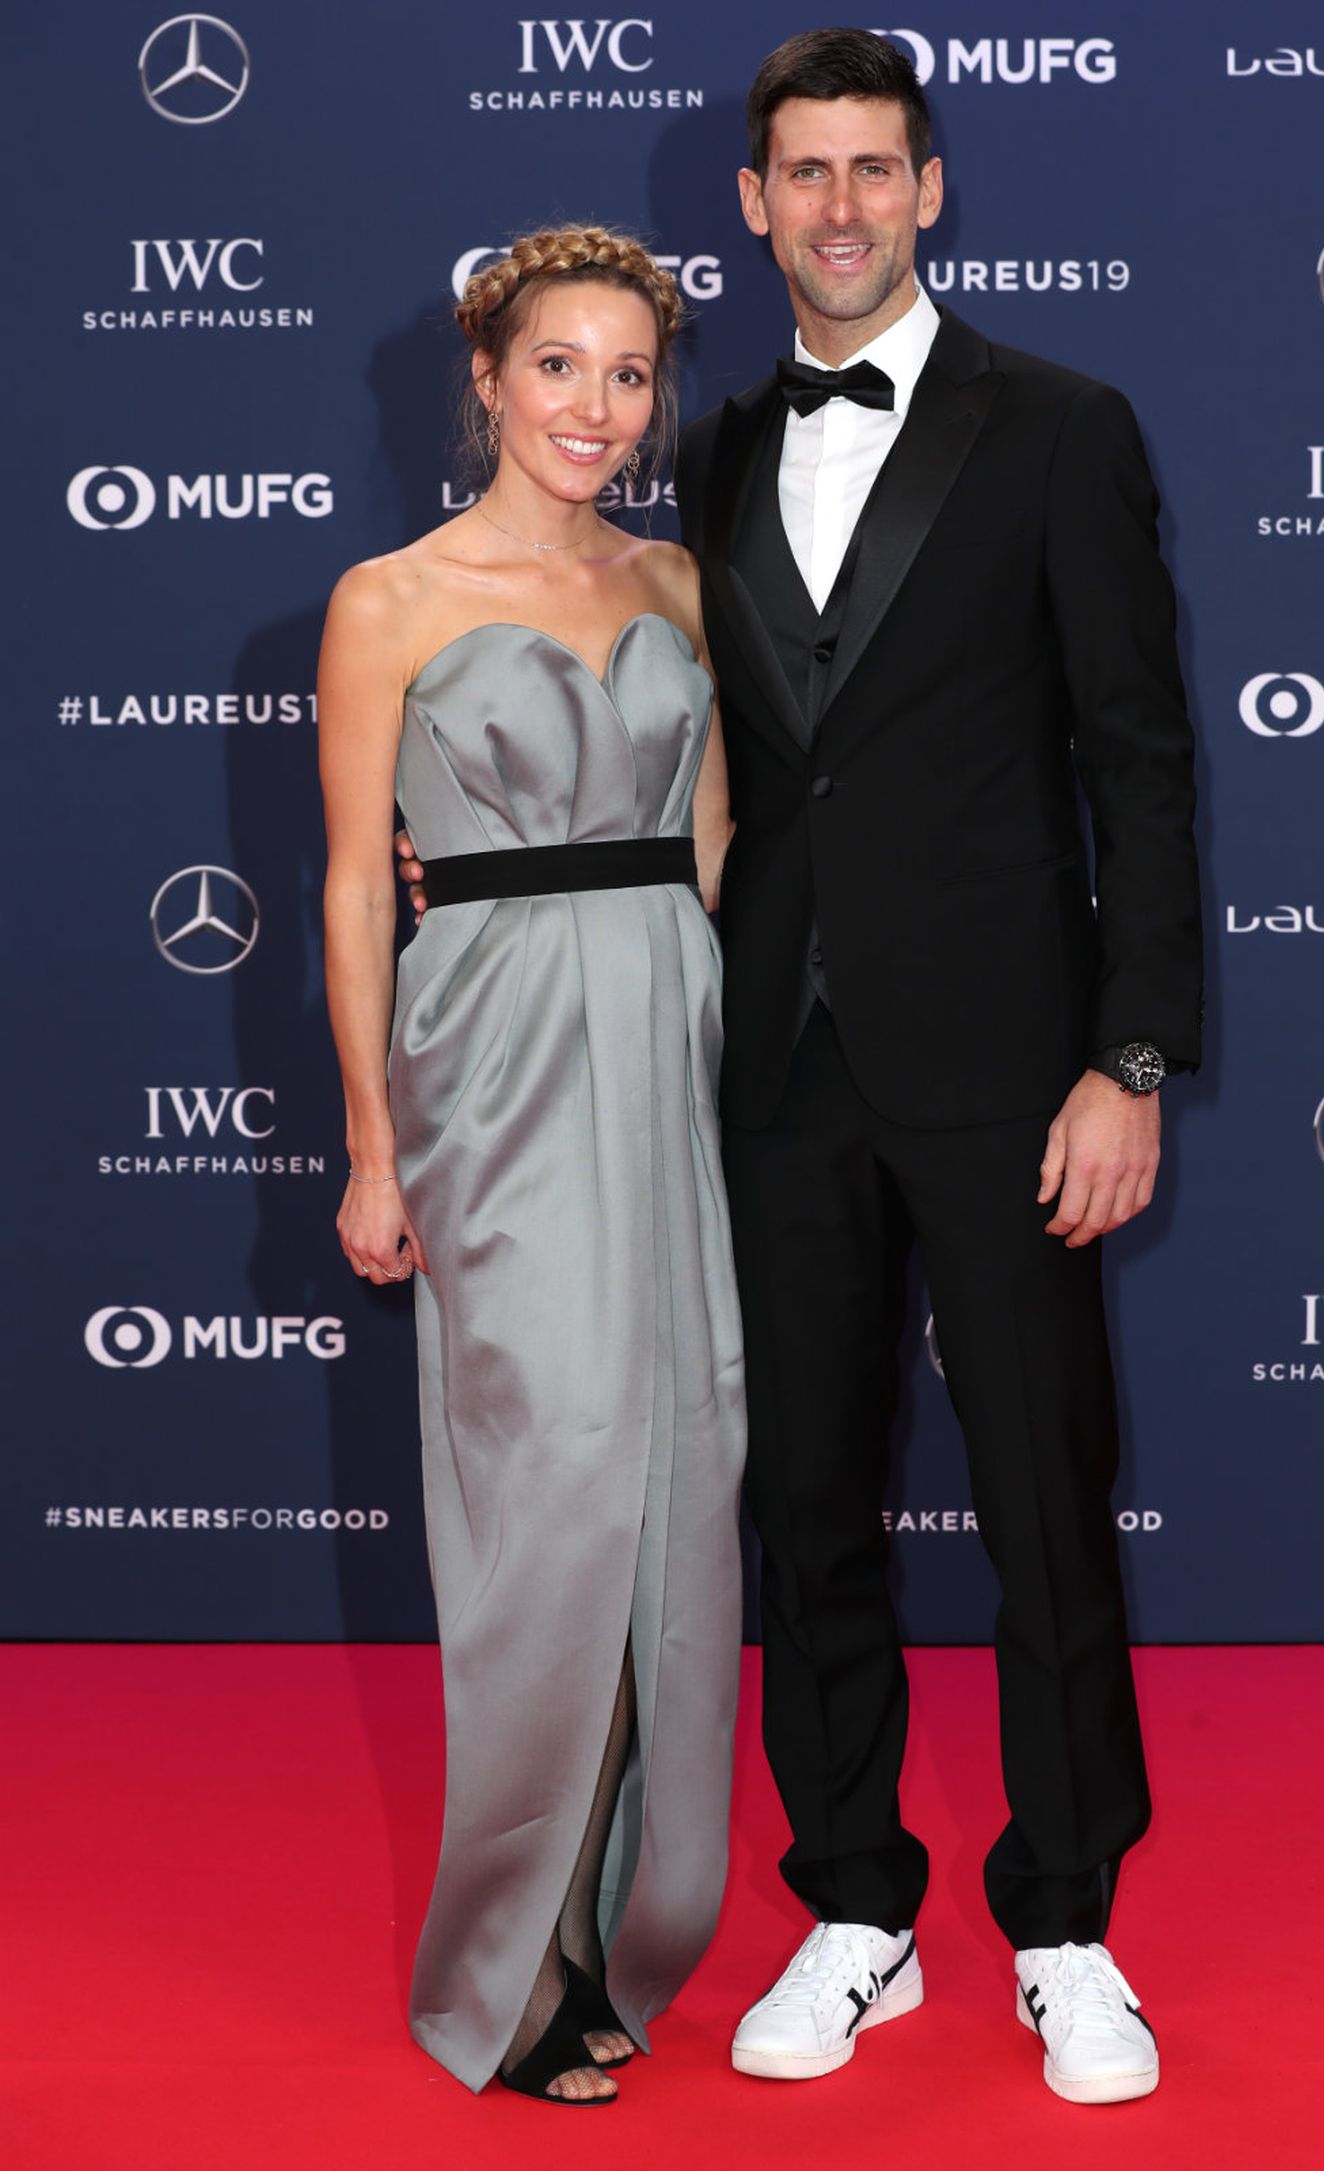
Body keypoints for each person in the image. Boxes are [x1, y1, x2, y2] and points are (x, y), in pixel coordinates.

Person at [675, 31, 1201, 2105]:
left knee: (1043, 1505)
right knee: (805, 1499)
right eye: (802, 173)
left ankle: (1067, 1924)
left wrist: (1129, 1055)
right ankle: (856, 1907)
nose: (839, 207)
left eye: (873, 169)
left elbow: (1139, 765)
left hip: (1009, 1070)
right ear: (752, 205)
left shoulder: (1061, 425)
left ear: (932, 185)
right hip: (775, 1066)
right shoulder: (714, 452)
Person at [319, 225, 745, 2105]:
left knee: (677, 1488)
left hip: (669, 1053)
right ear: (486, 377)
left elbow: (715, 835)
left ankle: (625, 1923)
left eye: (629, 373)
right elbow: (356, 888)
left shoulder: (678, 579)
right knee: (552, 1496)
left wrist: (703, 1014)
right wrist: (372, 1144)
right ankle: (516, 1959)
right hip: (492, 1068)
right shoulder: (390, 600)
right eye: (559, 365)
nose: (597, 406)